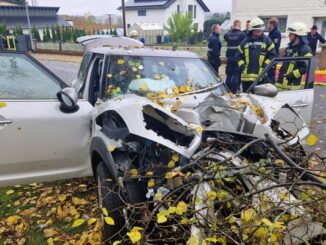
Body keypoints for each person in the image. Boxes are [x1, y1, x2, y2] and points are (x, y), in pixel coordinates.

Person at [237, 17, 276, 92]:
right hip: (246, 78)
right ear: (252, 30)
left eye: (260, 30)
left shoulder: (267, 41)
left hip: (261, 78)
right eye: (257, 30)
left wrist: (265, 66)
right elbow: (238, 56)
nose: (259, 31)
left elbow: (272, 55)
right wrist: (242, 66)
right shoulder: (245, 42)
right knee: (247, 100)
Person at [276, 22, 313, 90]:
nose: (289, 35)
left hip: (292, 86)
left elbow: (306, 67)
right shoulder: (290, 47)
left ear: (297, 35)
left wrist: (292, 75)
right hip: (280, 83)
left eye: (291, 34)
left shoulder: (305, 49)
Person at [224, 20, 246, 93]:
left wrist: (231, 29)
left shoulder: (227, 34)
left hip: (229, 58)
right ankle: (233, 91)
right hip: (237, 58)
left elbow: (226, 37)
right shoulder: (242, 35)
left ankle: (227, 90)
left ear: (233, 25)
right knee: (236, 74)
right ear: (239, 26)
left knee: (229, 75)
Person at [267, 17, 282, 83]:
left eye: (268, 23)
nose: (267, 25)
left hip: (273, 56)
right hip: (270, 56)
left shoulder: (276, 33)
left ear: (272, 24)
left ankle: (272, 87)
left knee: (271, 73)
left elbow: (275, 46)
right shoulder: (271, 32)